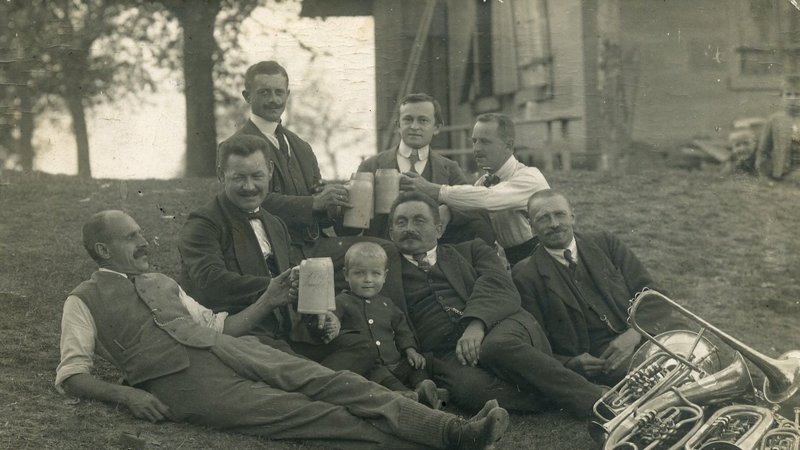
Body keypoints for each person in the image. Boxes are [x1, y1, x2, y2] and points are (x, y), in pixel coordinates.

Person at [57, 210, 510, 449]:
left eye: (141, 233)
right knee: (307, 414)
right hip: (178, 382)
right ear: (103, 248)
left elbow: (220, 324)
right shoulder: (83, 298)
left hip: (229, 347)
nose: (145, 241)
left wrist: (269, 298)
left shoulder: (161, 281)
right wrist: (128, 395)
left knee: (330, 381)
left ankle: (455, 431)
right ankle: (440, 443)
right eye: (132, 236)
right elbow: (71, 374)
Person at [384, 191, 606, 417]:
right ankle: (556, 398)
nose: (409, 228)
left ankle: (596, 400)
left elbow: (499, 285)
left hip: (500, 325)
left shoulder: (471, 250)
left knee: (496, 347)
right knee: (470, 390)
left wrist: (476, 324)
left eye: (419, 220)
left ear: (439, 229)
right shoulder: (381, 272)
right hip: (446, 353)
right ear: (391, 233)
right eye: (401, 222)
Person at [179, 134, 375, 376]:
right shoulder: (204, 223)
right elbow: (209, 281)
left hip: (287, 332)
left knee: (362, 347)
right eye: (239, 177)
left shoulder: (276, 224)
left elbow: (293, 279)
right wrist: (274, 288)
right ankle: (318, 385)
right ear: (221, 175)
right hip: (245, 333)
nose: (249, 186)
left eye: (257, 176)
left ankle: (312, 385)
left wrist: (320, 313)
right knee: (305, 370)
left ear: (270, 171)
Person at [512, 190, 670, 386]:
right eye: (543, 218)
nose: (554, 224)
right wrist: (570, 363)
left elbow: (651, 292)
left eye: (560, 214)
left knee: (692, 345)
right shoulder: (525, 274)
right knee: (658, 372)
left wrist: (634, 334)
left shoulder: (605, 243)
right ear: (532, 227)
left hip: (641, 331)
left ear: (573, 217)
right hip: (603, 358)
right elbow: (537, 341)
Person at [222, 60, 351, 259]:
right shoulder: (232, 147)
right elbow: (248, 201)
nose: (274, 99)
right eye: (264, 92)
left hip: (314, 246)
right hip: (273, 251)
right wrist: (313, 203)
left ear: (287, 95)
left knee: (380, 250)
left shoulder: (302, 147)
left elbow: (319, 208)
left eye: (279, 92)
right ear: (247, 97)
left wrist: (334, 204)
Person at [403, 113, 550, 266]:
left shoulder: (529, 177)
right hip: (515, 262)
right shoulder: (484, 182)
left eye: (485, 142)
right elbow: (472, 201)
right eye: (474, 141)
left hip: (546, 257)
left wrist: (433, 189)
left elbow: (489, 199)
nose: (477, 148)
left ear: (508, 145)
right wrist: (447, 210)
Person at [356, 93, 494, 244]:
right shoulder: (371, 166)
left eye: (423, 120)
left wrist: (449, 212)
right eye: (408, 119)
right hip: (384, 252)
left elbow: (474, 207)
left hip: (433, 255)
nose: (415, 126)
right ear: (398, 125)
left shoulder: (449, 168)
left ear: (436, 127)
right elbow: (355, 222)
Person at [334, 242, 447, 409]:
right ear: (346, 275)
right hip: (371, 365)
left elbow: (402, 329)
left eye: (375, 274)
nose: (368, 280)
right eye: (359, 273)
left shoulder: (388, 304)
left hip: (395, 361)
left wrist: (410, 350)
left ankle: (424, 387)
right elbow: (332, 321)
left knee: (416, 365)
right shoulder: (342, 301)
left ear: (385, 276)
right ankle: (408, 396)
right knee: (378, 376)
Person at [756, 74, 800, 181]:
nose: (793, 99)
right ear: (781, 97)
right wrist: (764, 175)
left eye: (798, 94)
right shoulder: (774, 120)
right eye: (788, 94)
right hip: (781, 176)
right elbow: (763, 151)